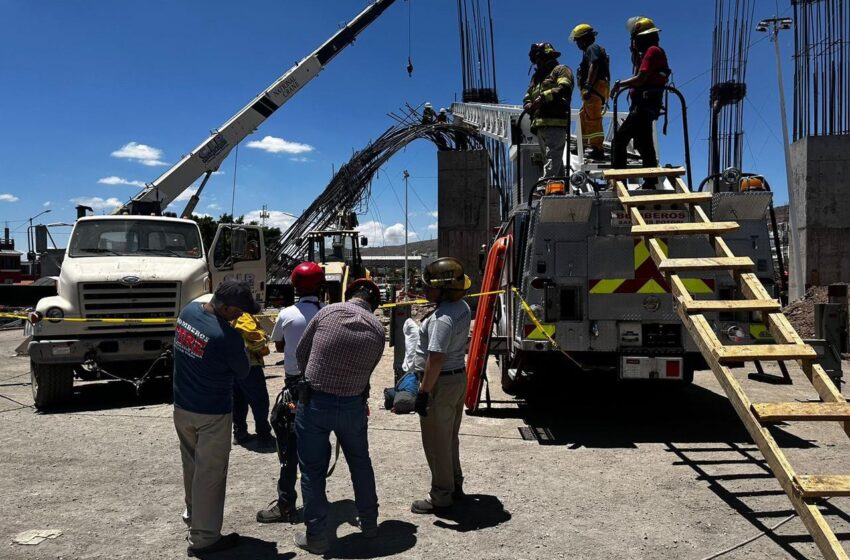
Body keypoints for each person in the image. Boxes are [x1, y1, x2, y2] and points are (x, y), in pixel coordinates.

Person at [293, 279, 385, 554]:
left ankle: (317, 537)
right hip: (353, 405)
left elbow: (301, 353)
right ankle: (369, 525)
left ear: (348, 293)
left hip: (316, 403)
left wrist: (311, 378)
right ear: (375, 304)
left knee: (312, 471)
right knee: (360, 464)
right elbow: (369, 369)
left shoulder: (327, 312)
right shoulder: (378, 329)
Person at [172, 281, 259, 556]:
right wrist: (243, 342)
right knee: (211, 474)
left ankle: (194, 515)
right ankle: (205, 538)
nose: (241, 317)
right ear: (225, 306)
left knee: (192, 466)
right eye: (238, 312)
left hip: (183, 405)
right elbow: (243, 371)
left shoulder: (187, 312)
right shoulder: (227, 337)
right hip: (212, 412)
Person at [256, 262, 325, 524]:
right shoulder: (329, 312)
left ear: (294, 286)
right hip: (322, 384)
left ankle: (286, 503)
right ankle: (317, 499)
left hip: (295, 386)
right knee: (318, 443)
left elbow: (279, 345)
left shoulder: (287, 314)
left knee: (289, 446)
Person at [411, 257, 472, 514]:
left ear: (444, 289)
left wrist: (424, 392)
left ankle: (441, 495)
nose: (424, 290)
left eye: (429, 286)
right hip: (457, 379)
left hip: (440, 382)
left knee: (436, 442)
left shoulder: (441, 319)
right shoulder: (463, 307)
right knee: (449, 438)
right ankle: (454, 484)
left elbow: (436, 358)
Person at [610, 17, 670, 188]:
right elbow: (640, 68)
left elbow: (641, 78)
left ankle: (618, 181)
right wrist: (635, 52)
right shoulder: (652, 52)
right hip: (646, 106)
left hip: (642, 107)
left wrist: (620, 84)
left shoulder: (652, 51)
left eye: (635, 39)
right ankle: (650, 181)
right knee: (645, 144)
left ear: (641, 38)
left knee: (619, 141)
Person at [523, 42, 574, 180]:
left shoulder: (561, 70)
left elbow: (564, 88)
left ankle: (545, 185)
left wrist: (544, 97)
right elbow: (528, 95)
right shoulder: (536, 78)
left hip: (556, 121)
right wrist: (527, 104)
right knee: (551, 159)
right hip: (540, 124)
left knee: (552, 157)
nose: (537, 63)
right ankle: (559, 187)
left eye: (538, 59)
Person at [231, 312, 274, 448]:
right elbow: (254, 337)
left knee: (239, 400)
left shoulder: (228, 315)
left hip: (234, 364)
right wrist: (263, 344)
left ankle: (240, 433)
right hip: (250, 365)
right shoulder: (243, 316)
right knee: (260, 401)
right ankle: (264, 434)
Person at [570, 23, 610, 161]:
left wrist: (587, 85)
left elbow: (594, 64)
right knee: (583, 115)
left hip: (594, 88)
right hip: (595, 88)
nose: (577, 44)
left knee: (593, 118)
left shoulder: (592, 48)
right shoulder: (592, 49)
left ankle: (597, 149)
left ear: (584, 39)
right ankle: (583, 144)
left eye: (578, 41)